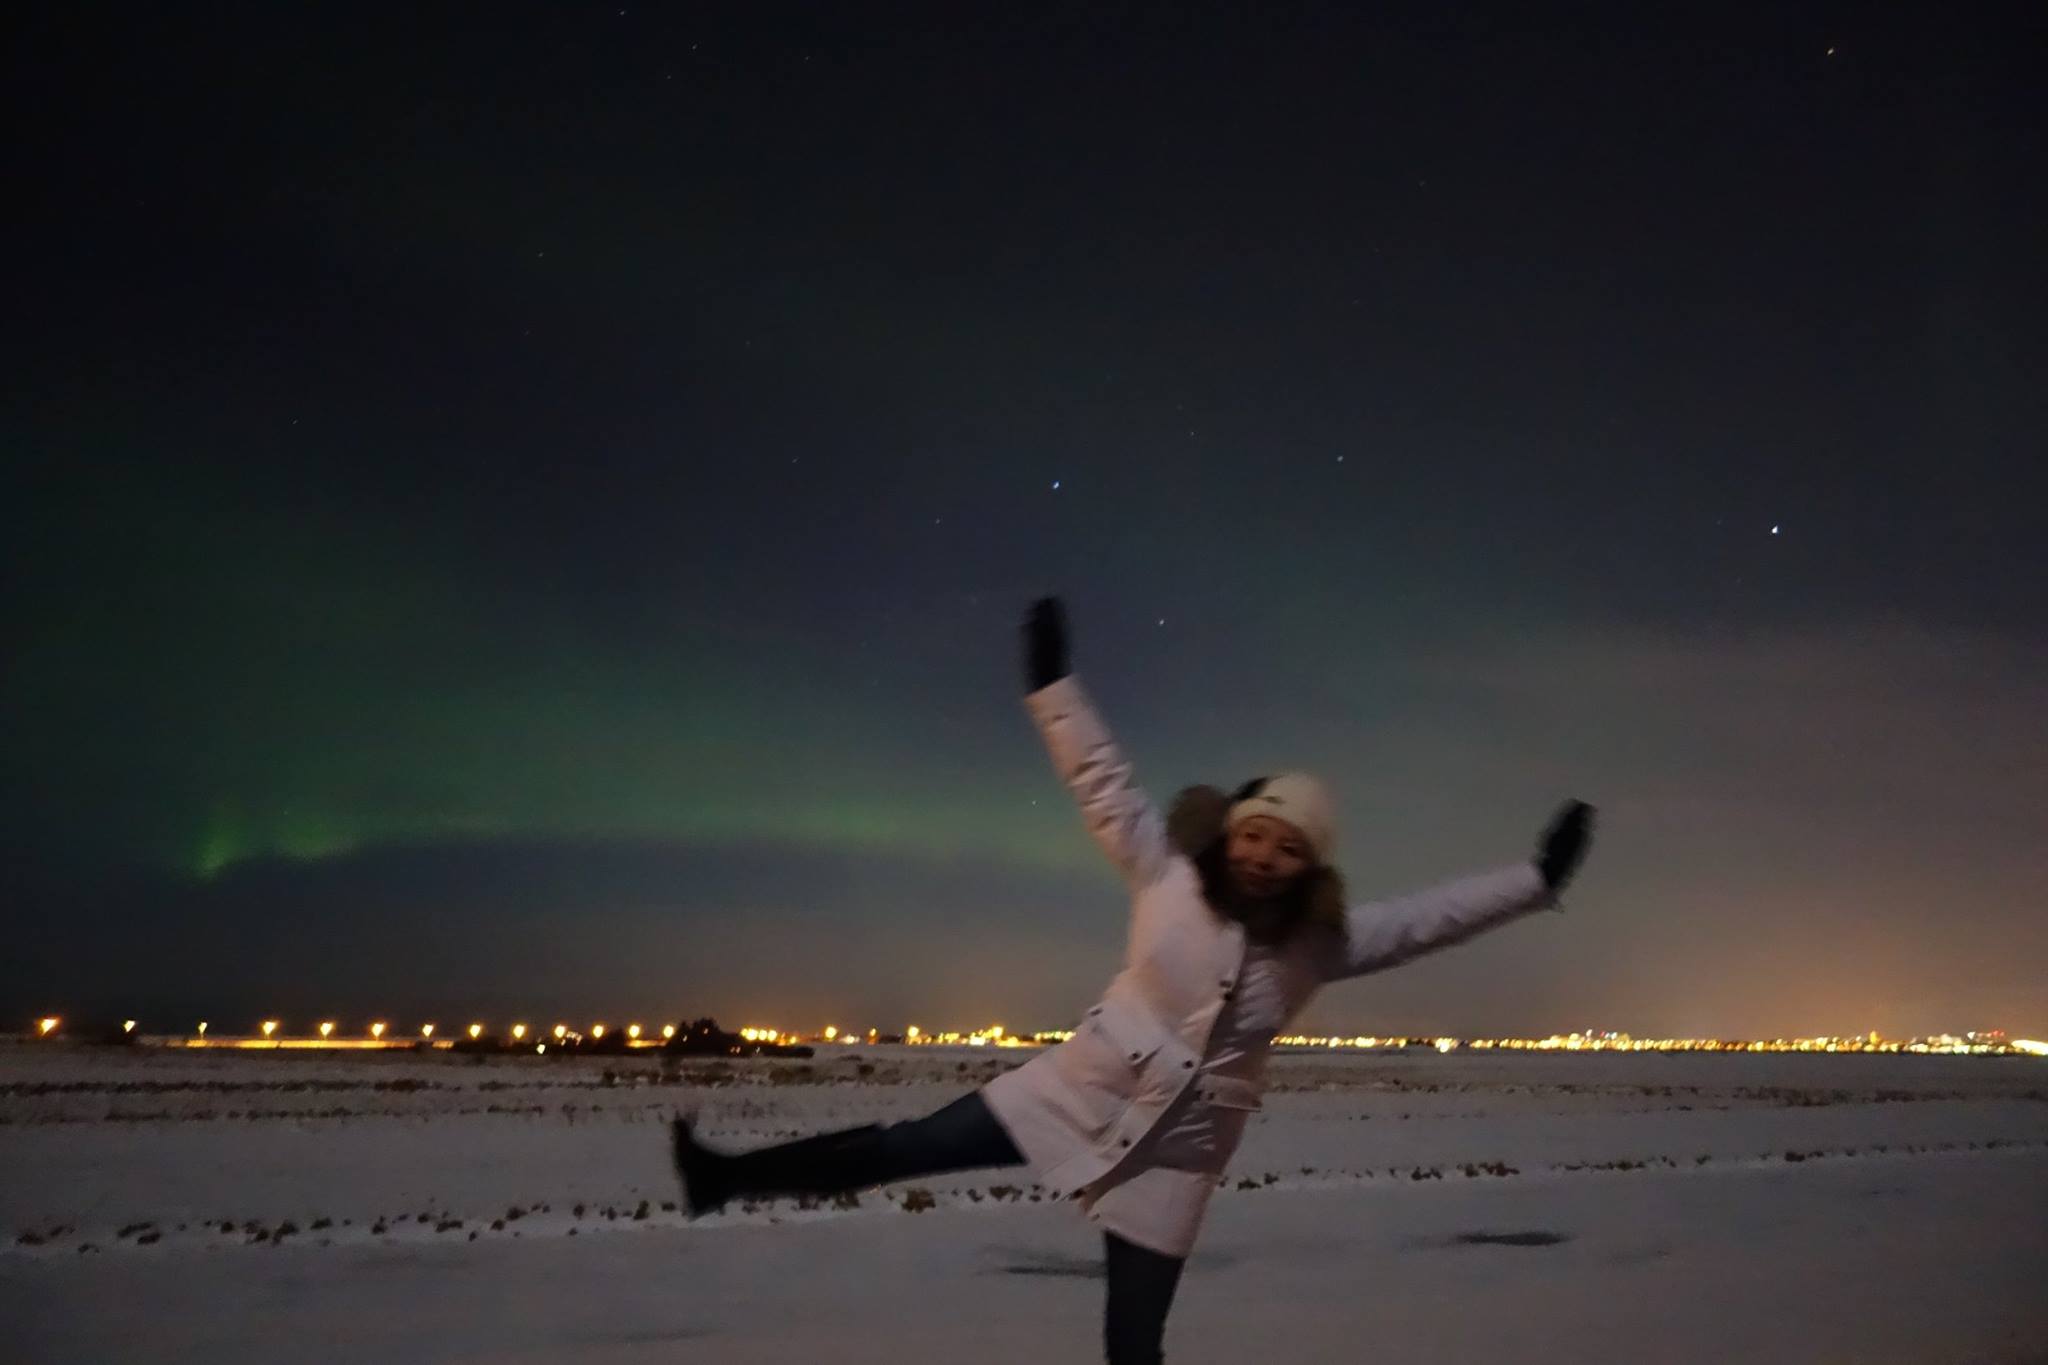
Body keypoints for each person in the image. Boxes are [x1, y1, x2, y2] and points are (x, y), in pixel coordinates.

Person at [671, 595, 1595, 1364]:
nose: (1265, 856)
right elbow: (1102, 782)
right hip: (1079, 1087)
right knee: (900, 1149)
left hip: (1180, 1152)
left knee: (1133, 1345)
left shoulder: (1323, 943)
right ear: (1230, 830)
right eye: (1254, 834)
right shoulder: (1166, 874)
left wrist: (1535, 880)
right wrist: (1051, 685)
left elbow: (1432, 917)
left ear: (1309, 865)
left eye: (1288, 848)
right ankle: (724, 1178)